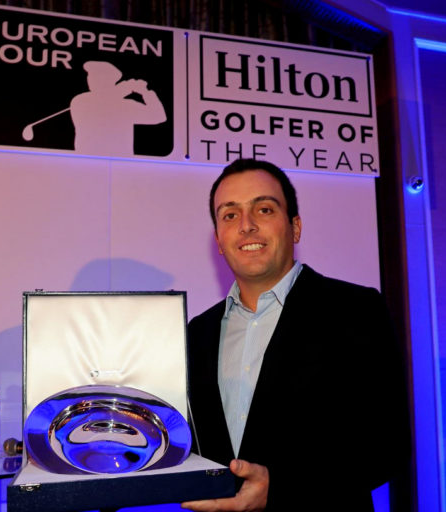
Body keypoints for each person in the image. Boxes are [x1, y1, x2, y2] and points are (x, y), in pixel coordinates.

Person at [182, 159, 410, 512]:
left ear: (295, 227)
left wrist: (280, 489)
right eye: (230, 214)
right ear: (219, 241)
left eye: (264, 209)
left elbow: (388, 446)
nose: (246, 225)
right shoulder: (196, 333)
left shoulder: (355, 310)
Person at [70, 61, 166, 156]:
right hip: (88, 160)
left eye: (97, 76)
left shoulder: (126, 105)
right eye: (90, 75)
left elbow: (158, 116)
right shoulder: (81, 101)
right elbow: (103, 101)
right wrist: (126, 87)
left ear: (109, 81)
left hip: (121, 161)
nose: (90, 79)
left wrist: (145, 93)